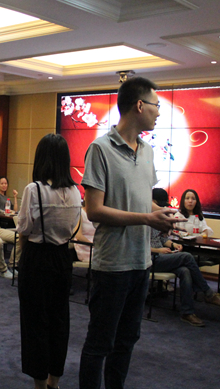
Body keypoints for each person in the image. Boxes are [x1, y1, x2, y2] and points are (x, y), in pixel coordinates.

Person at [78, 77, 180, 389]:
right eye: (156, 105)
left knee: (126, 341)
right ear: (139, 105)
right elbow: (94, 210)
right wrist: (147, 218)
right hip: (112, 265)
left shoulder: (147, 151)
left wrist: (160, 213)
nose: (158, 112)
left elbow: (141, 198)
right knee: (100, 342)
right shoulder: (100, 149)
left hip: (141, 262)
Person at [17, 133, 82, 389]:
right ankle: (55, 381)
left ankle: (40, 383)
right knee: (59, 320)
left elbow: (24, 229)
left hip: (37, 257)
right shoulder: (75, 191)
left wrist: (22, 259)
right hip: (63, 258)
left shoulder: (34, 189)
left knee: (35, 322)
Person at [151, 188, 220, 327]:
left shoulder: (160, 220)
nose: (163, 208)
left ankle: (187, 312)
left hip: (163, 256)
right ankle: (208, 294)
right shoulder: (143, 220)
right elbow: (137, 246)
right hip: (151, 259)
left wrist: (173, 244)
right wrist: (158, 250)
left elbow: (161, 239)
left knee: (185, 270)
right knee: (187, 257)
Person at [174, 188, 220, 304]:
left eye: (193, 199)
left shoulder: (199, 216)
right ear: (183, 201)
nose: (190, 201)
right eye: (187, 198)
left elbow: (206, 229)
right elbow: (178, 234)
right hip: (189, 251)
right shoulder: (178, 216)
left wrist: (205, 232)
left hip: (203, 249)